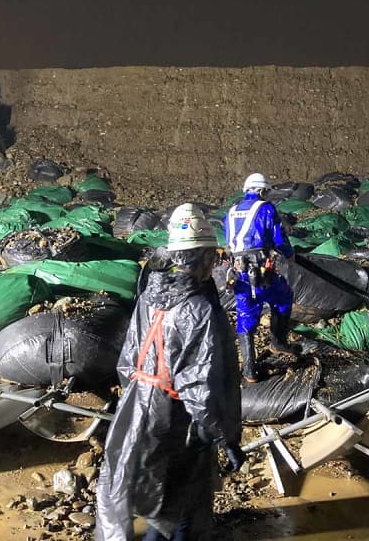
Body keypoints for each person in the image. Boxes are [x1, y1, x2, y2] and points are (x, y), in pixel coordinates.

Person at [96, 203, 244, 541]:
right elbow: (202, 386)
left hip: (137, 406)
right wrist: (223, 435)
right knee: (176, 506)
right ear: (202, 257)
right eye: (212, 256)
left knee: (153, 494)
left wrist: (138, 400)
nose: (214, 263)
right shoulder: (200, 310)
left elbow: (128, 358)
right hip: (177, 418)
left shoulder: (150, 296)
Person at [223, 172, 297, 384]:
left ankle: (248, 369)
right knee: (283, 297)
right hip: (261, 271)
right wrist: (290, 255)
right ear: (262, 191)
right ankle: (278, 341)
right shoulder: (266, 209)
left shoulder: (231, 211)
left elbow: (230, 239)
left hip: (239, 274)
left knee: (245, 314)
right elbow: (278, 238)